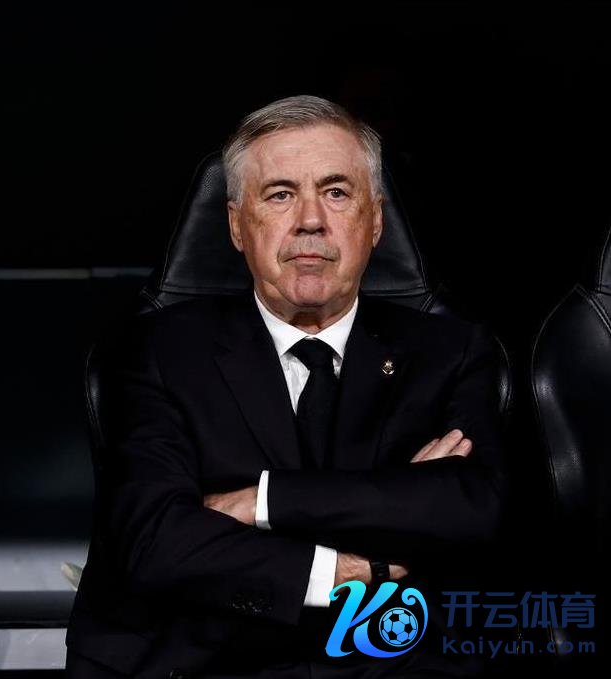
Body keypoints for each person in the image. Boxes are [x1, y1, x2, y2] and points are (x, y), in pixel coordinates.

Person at [65, 95, 507, 678]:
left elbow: (473, 510)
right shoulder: (157, 350)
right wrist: (354, 565)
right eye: (280, 195)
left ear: (375, 220)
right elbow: (156, 539)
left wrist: (262, 502)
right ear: (236, 224)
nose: (311, 220)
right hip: (209, 660)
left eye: (336, 192)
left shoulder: (452, 352)